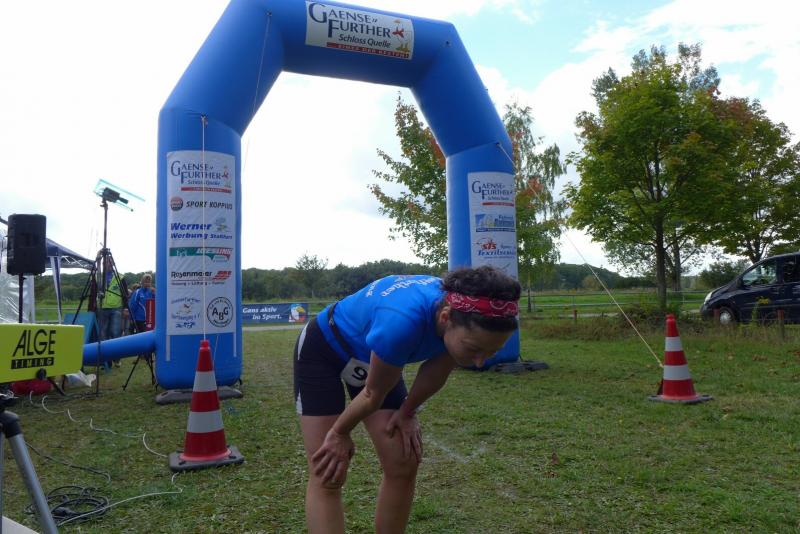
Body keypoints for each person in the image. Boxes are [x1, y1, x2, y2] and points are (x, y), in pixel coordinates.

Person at [294, 266, 521, 534]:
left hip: (377, 357)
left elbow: (435, 371)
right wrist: (339, 433)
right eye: (473, 349)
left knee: (402, 461)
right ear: (445, 317)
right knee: (328, 469)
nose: (480, 362)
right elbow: (372, 394)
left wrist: (407, 412)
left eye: (491, 352)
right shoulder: (402, 322)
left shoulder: (464, 313)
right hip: (324, 349)